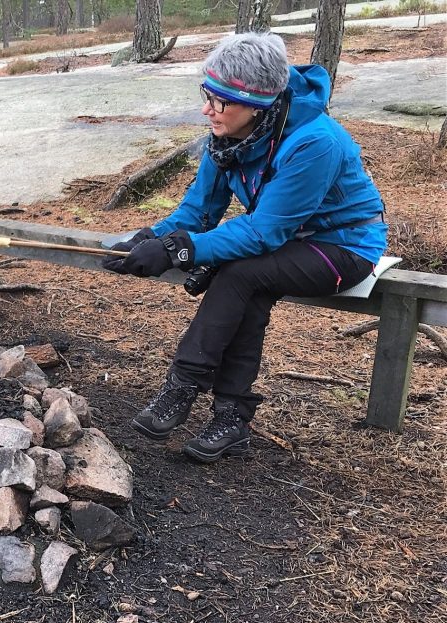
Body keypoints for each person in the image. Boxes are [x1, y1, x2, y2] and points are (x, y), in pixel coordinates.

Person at [102, 32, 386, 463]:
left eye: (219, 102)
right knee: (247, 285)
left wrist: (180, 251)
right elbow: (198, 212)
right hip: (285, 242)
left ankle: (182, 388)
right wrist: (150, 238)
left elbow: (263, 233)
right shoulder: (228, 137)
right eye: (206, 95)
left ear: (256, 103)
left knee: (242, 272)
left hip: (343, 247)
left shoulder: (315, 142)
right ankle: (231, 417)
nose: (207, 109)